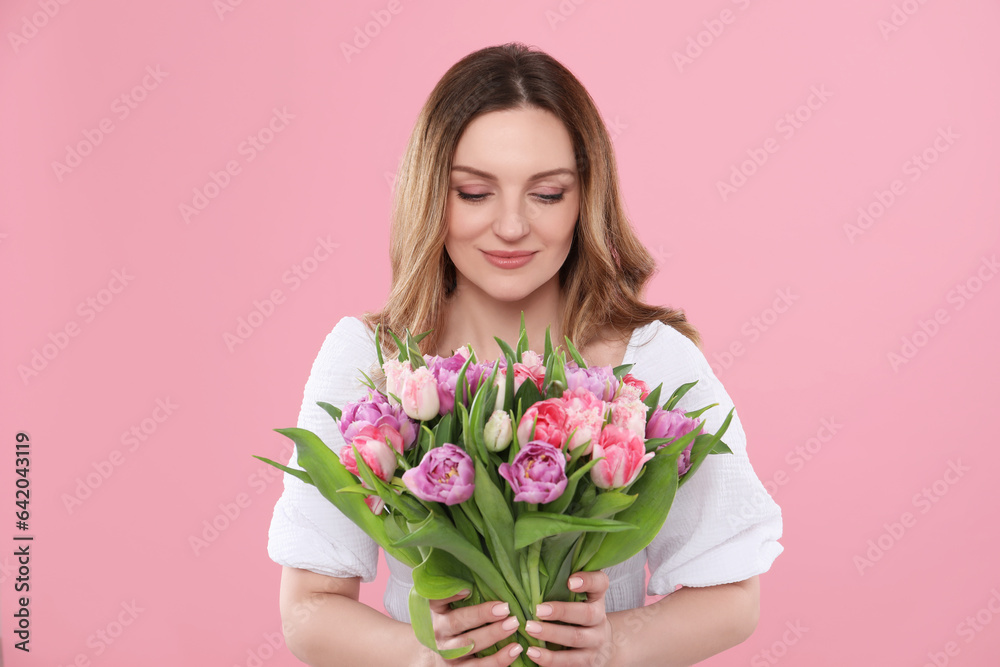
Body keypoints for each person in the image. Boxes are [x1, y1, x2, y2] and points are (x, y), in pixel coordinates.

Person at [267, 42, 783, 667]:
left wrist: (612, 646)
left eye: (546, 194)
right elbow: (308, 607)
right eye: (475, 193)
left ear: (585, 201)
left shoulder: (652, 362)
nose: (511, 227)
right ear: (433, 195)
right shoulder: (371, 360)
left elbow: (731, 596)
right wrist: (424, 658)